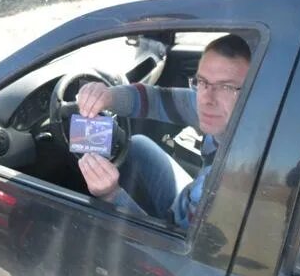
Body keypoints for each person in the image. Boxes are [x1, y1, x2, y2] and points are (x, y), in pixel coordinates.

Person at [77, 34, 250, 228]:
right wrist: (108, 96)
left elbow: (172, 249)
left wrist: (111, 195)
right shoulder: (234, 113)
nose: (206, 100)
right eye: (202, 82)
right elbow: (156, 100)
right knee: (139, 144)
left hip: (182, 229)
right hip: (187, 199)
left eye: (226, 87)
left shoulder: (229, 185)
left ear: (254, 90)